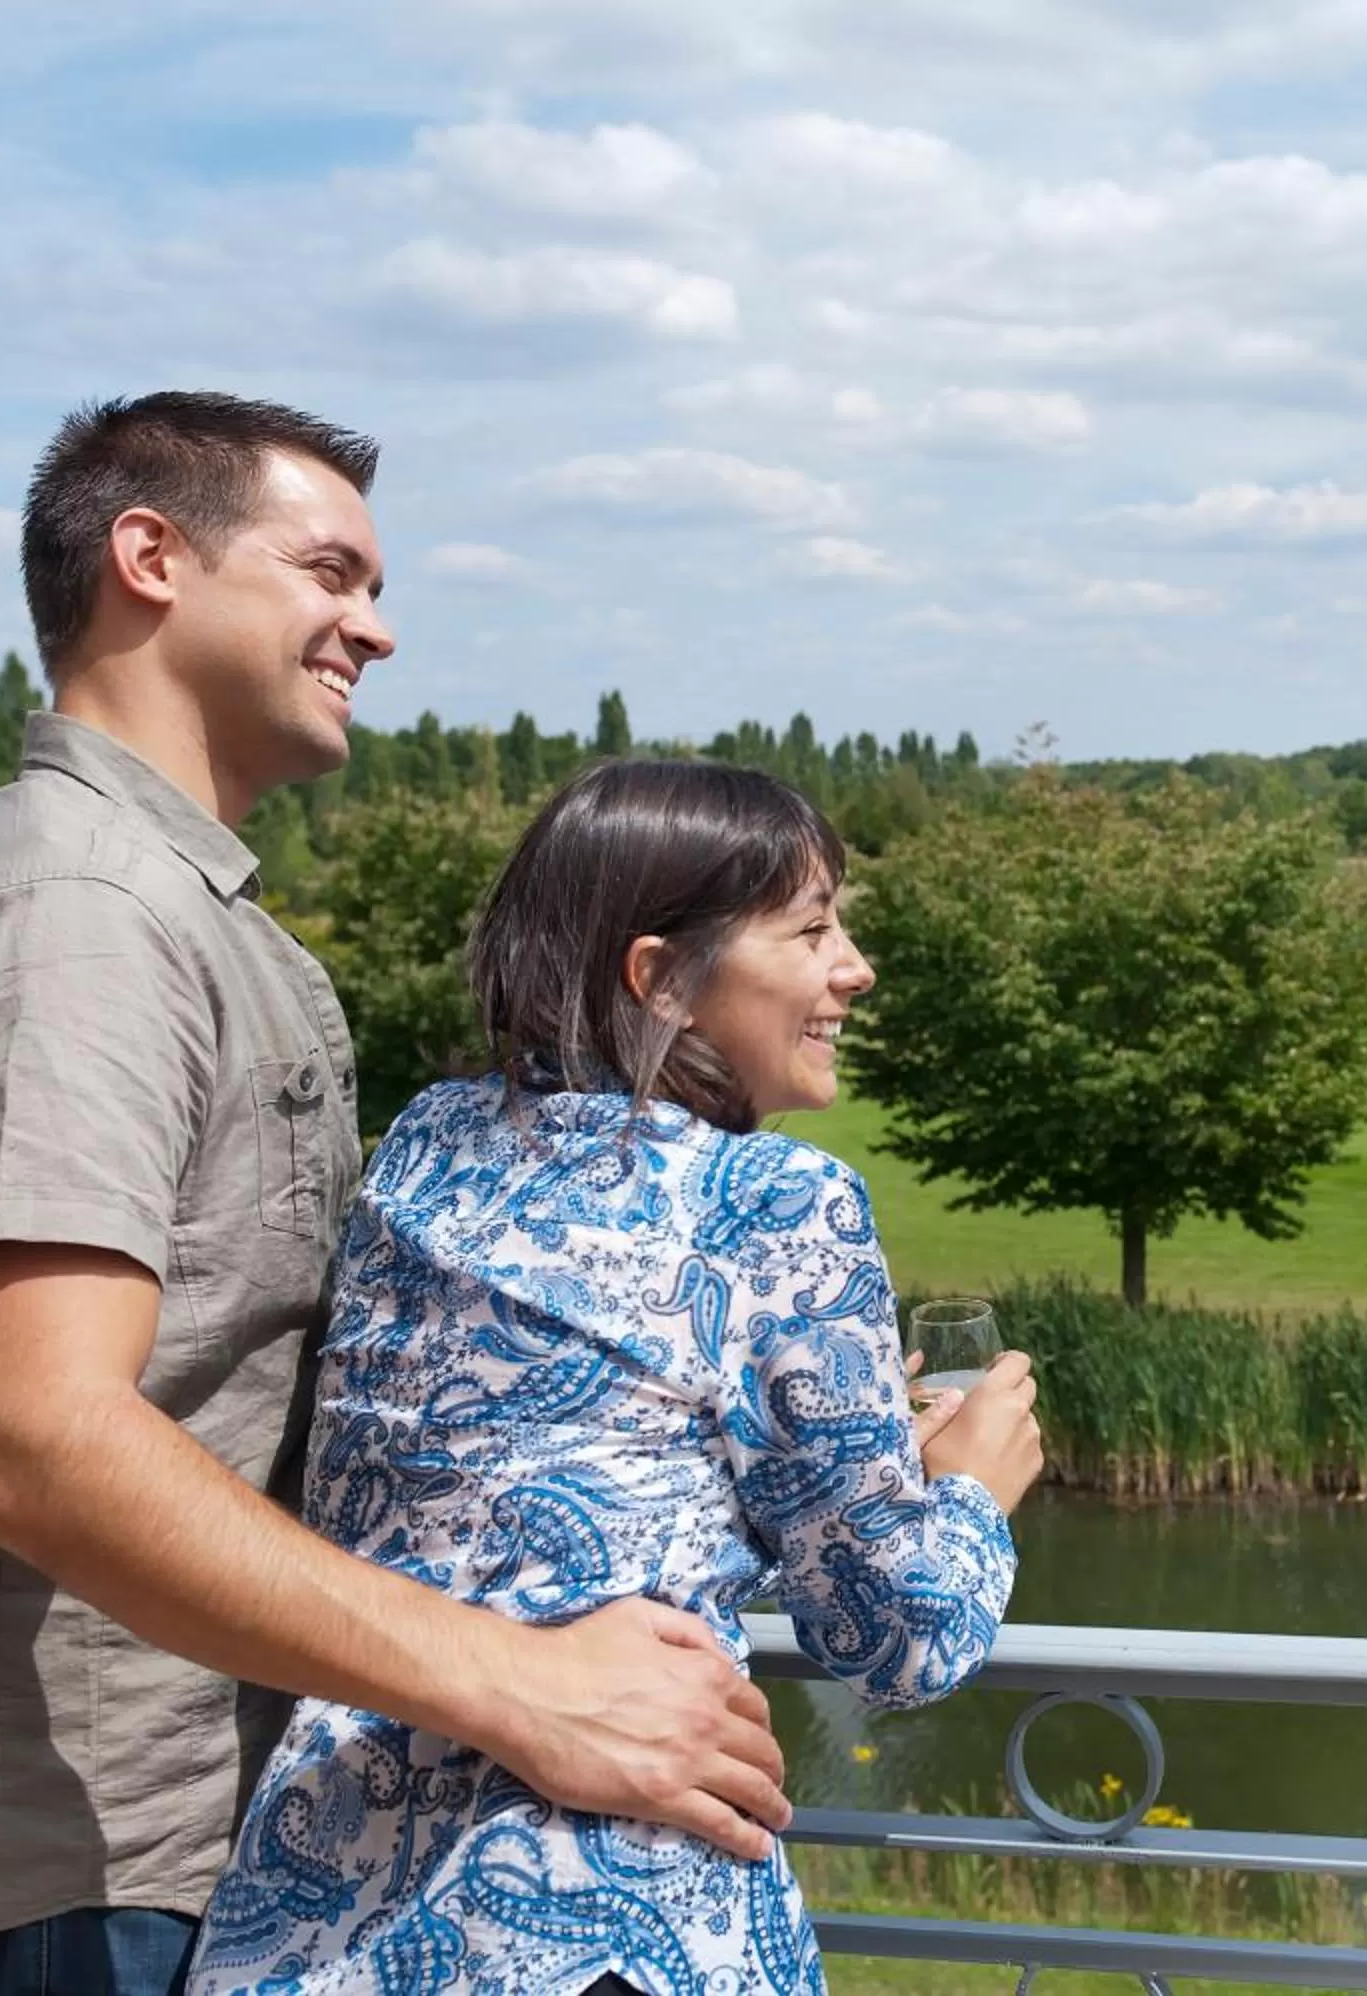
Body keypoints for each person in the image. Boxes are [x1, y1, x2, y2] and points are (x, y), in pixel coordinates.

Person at [0, 394, 790, 1996]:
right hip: (81, 1888)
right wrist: (521, 1684)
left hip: (184, 1861)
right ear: (150, 558)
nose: (376, 630)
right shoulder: (78, 916)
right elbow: (36, 1434)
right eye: (331, 572)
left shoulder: (177, 914)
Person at [185, 759, 1041, 1996]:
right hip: (601, 1921)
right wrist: (968, 1490)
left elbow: (543, 1477)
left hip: (328, 1907)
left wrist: (840, 1443)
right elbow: (895, 1640)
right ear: (661, 979)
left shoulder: (429, 1144)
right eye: (811, 932)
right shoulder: (777, 1202)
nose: (854, 968)